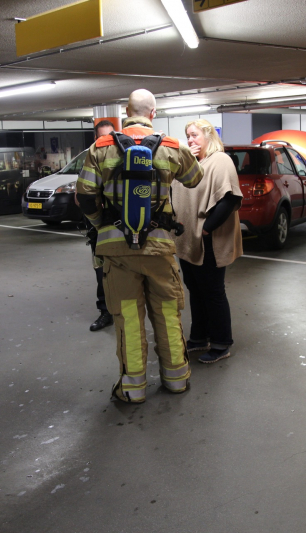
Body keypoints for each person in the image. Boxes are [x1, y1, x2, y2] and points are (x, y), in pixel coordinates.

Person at [75, 89, 203, 403]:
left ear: (125, 111)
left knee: (129, 317)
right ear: (153, 113)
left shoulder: (100, 147)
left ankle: (133, 389)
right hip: (160, 247)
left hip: (116, 251)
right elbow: (195, 179)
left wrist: (101, 225)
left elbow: (86, 195)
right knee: (167, 312)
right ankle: (176, 380)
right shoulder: (172, 146)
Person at [172, 119, 243, 364]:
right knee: (195, 290)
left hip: (208, 240)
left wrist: (207, 229)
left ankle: (222, 343)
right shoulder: (190, 165)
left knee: (212, 292)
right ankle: (200, 337)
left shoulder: (220, 161)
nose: (190, 140)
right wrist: (185, 161)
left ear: (208, 136)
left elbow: (230, 199)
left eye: (194, 135)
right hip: (187, 239)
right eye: (187, 136)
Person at [86, 120, 116, 332]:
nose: (105, 142)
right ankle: (105, 311)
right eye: (101, 138)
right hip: (99, 229)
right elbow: (83, 196)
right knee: (101, 273)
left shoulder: (124, 158)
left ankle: (123, 310)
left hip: (120, 228)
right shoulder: (92, 158)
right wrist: (98, 224)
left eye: (109, 137)